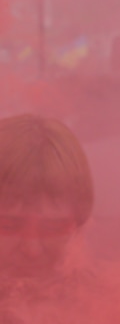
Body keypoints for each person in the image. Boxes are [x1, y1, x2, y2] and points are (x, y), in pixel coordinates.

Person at [0, 114, 94, 288]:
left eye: (53, 228)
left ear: (80, 226)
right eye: (9, 226)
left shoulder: (116, 297)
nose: (32, 250)